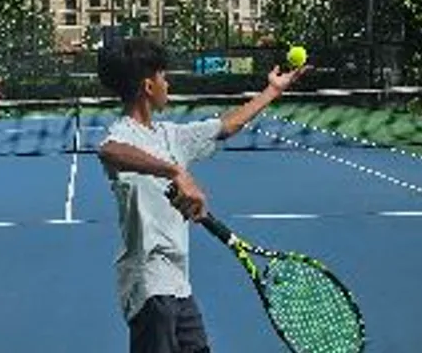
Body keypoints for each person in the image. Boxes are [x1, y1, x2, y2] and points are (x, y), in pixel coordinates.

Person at [97, 37, 307, 353]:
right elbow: (109, 152)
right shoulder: (123, 135)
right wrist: (175, 172)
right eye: (163, 76)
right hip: (149, 284)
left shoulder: (170, 136)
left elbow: (226, 125)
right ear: (148, 86)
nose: (168, 84)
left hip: (178, 283)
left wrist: (274, 90)